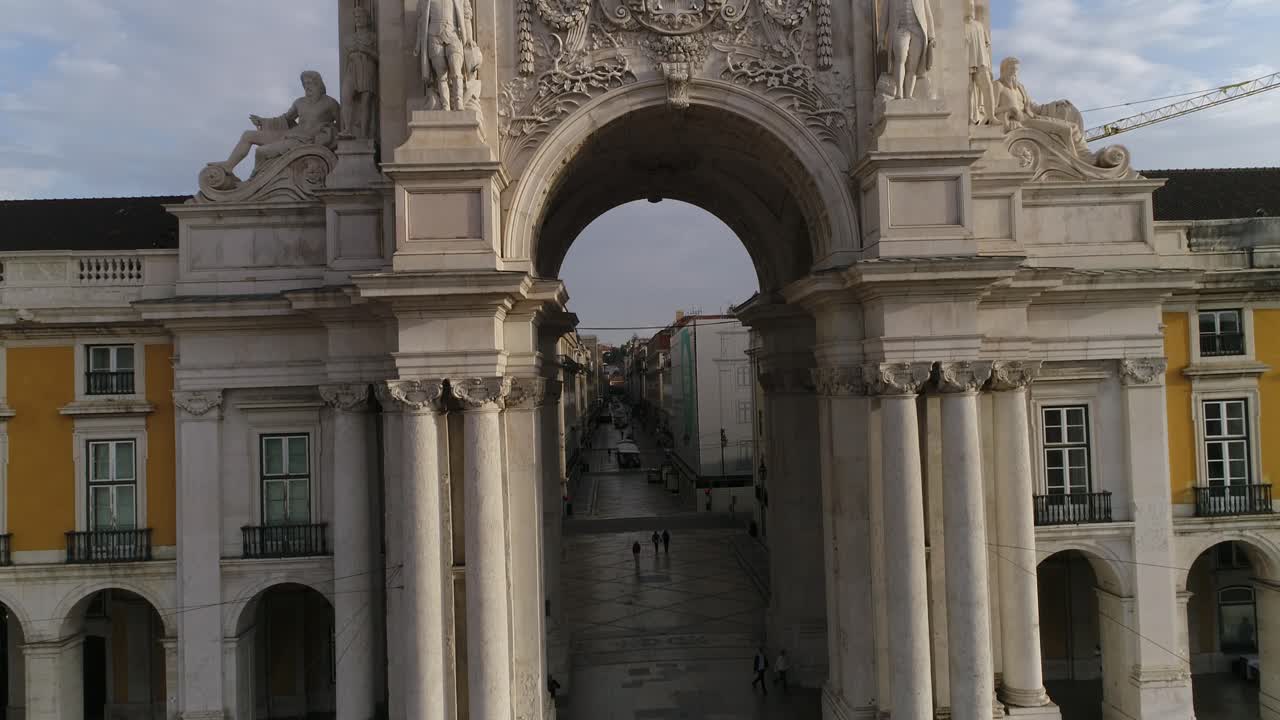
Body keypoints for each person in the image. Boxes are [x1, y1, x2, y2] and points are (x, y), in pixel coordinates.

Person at [214, 71, 340, 175]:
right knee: (247, 135)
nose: (307, 87)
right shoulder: (299, 102)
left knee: (261, 152)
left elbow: (342, 124)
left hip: (305, 141)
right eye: (304, 84)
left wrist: (327, 135)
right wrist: (263, 121)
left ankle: (256, 180)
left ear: (318, 84)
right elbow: (285, 119)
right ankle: (229, 165)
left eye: (310, 83)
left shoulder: (330, 103)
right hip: (292, 135)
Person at [879, 0, 936, 100]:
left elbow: (928, 15)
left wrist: (932, 36)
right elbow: (884, 17)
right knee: (900, 57)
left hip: (917, 31)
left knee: (912, 65)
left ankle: (909, 94)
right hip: (900, 29)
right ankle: (899, 92)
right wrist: (881, 39)